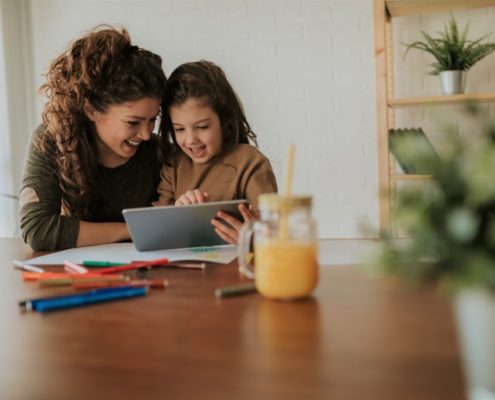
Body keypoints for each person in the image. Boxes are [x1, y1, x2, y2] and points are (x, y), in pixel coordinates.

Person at [19, 26, 167, 251]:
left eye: (152, 119)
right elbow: (37, 229)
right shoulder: (52, 141)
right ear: (91, 110)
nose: (146, 134)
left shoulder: (158, 150)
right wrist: (131, 229)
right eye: (133, 122)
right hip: (80, 276)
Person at [155, 60, 278, 244]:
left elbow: (274, 232)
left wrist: (252, 238)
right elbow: (157, 229)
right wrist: (178, 214)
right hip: (189, 266)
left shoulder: (251, 162)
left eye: (202, 127)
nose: (190, 140)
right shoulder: (174, 163)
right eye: (179, 129)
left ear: (224, 120)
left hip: (239, 264)